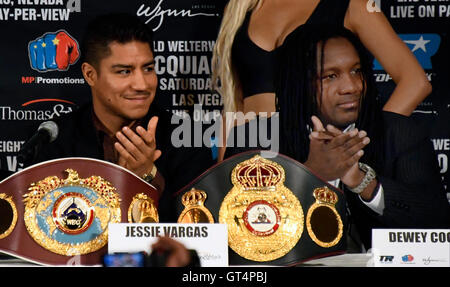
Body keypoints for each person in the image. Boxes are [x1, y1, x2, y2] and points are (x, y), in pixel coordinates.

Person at [225, 25, 450, 250]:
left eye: (356, 71)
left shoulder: (402, 133)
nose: (351, 87)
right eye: (331, 76)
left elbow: (436, 223)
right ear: (298, 82)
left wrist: (364, 182)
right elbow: (239, 237)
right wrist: (310, 175)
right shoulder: (253, 140)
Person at [26, 13, 214, 222]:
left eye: (148, 68)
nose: (142, 84)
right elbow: (42, 227)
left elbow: (201, 228)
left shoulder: (187, 137)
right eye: (124, 72)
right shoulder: (56, 139)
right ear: (90, 74)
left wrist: (148, 177)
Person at [212, 0, 431, 161]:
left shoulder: (354, 4)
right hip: (251, 151)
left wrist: (363, 140)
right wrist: (225, 162)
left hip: (314, 150)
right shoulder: (242, 7)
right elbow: (235, 100)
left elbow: (415, 82)